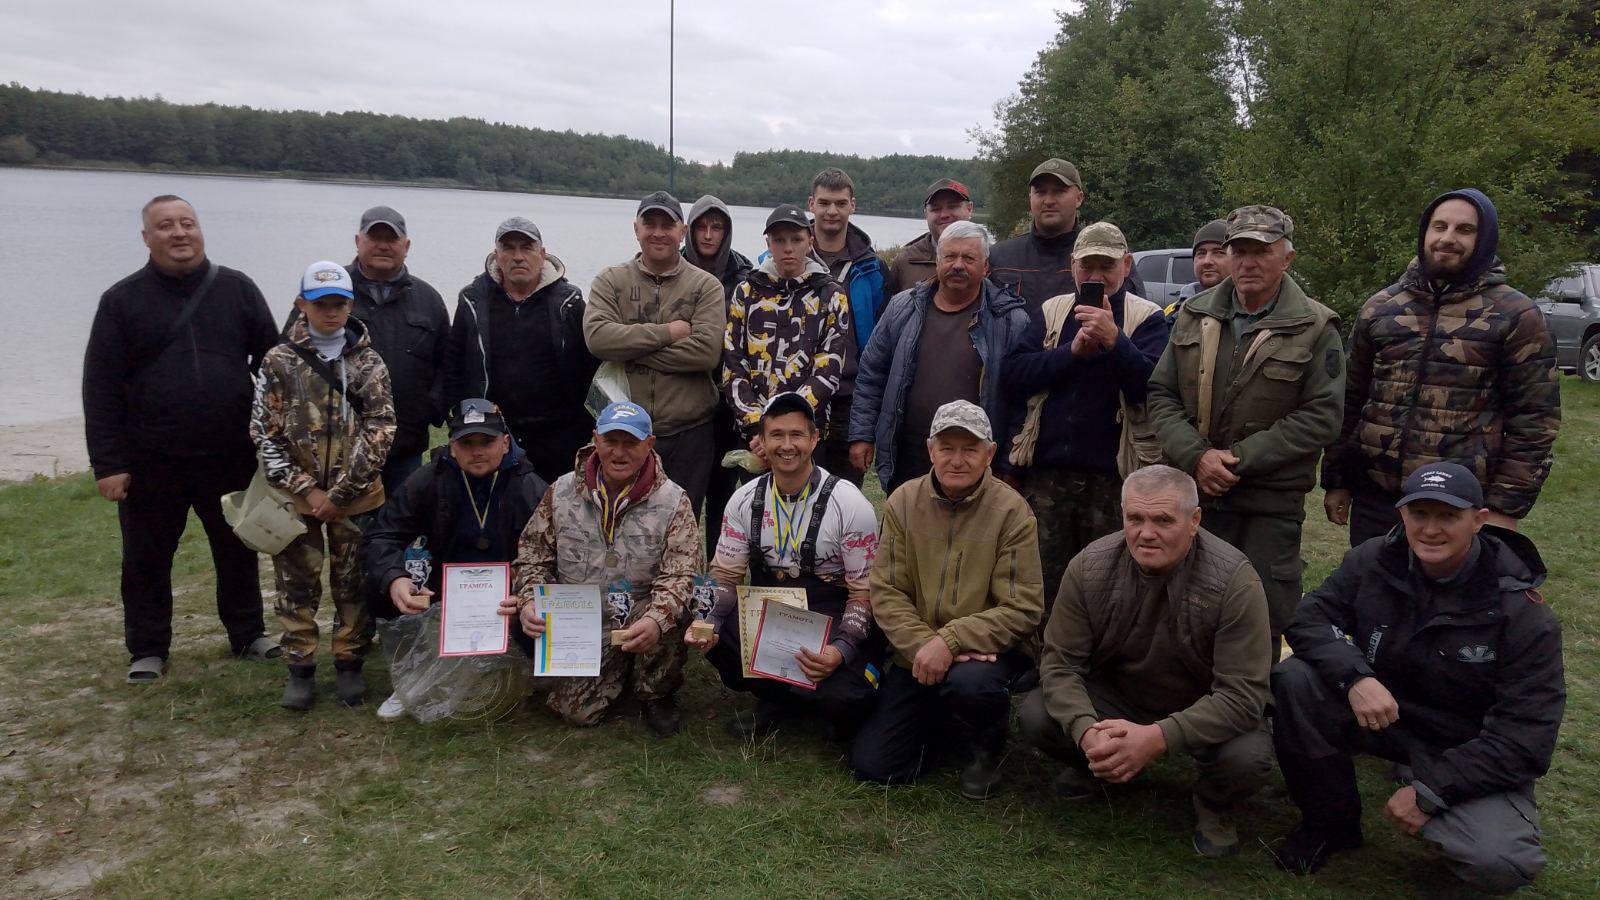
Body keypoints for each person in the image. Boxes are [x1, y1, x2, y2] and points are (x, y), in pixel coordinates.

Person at [1271, 463, 1563, 892]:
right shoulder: (1374, 558)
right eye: (1419, 514)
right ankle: (1329, 823)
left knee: (1499, 862)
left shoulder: (1524, 614)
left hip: (1465, 744)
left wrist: (1432, 791)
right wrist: (1356, 679)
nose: (1430, 529)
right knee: (1296, 678)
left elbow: (1526, 737)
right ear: (1401, 514)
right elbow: (1309, 617)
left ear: (1479, 521)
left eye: (1448, 516)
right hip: (1385, 718)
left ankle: (1431, 791)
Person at [1019, 465, 1272, 858]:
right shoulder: (1089, 567)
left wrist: (1157, 738)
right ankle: (1101, 765)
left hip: (1200, 701)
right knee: (1038, 713)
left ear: (1195, 521)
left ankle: (1212, 802)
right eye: (1134, 518)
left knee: (1247, 758)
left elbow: (1243, 697)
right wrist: (1088, 733)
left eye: (1163, 520)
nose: (1146, 533)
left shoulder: (1235, 582)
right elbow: (1060, 665)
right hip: (1120, 698)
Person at [83, 195, 280, 684]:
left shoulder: (237, 289)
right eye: (165, 226)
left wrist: (274, 440)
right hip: (152, 456)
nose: (178, 233)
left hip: (230, 452)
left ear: (200, 231)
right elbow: (101, 386)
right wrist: (108, 463)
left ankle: (247, 633)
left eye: (187, 223)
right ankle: (148, 649)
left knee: (237, 549)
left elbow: (274, 367)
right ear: (147, 238)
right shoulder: (121, 301)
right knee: (146, 557)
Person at [1146, 205, 1344, 659]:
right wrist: (1196, 457)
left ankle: (1253, 718)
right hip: (1197, 497)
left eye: (1262, 251)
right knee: (1183, 613)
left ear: (1287, 258)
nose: (1248, 263)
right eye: (1240, 251)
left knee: (1259, 620)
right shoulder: (1193, 316)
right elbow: (1160, 395)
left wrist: (1237, 459)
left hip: (1268, 507)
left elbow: (1322, 415)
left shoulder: (1316, 327)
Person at [1320, 189, 1560, 546]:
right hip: (1378, 496)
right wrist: (1338, 479)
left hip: (1459, 504)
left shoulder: (1516, 315)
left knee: (1448, 602)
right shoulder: (1381, 308)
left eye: (1464, 230)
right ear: (1424, 234)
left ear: (1484, 239)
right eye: (1439, 226)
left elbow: (1535, 422)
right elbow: (1349, 399)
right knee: (1374, 597)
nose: (1448, 238)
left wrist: (1504, 509)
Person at [850, 401, 1044, 799]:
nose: (958, 460)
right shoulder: (902, 501)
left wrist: (950, 641)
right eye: (947, 447)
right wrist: (927, 646)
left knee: (972, 684)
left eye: (970, 449)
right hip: (917, 652)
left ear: (990, 454)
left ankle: (987, 743)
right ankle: (939, 719)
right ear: (930, 450)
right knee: (875, 767)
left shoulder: (1013, 512)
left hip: (986, 654)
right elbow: (887, 591)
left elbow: (1022, 607)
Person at [688, 393, 882, 736]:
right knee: (710, 620)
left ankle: (825, 692)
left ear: (815, 438)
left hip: (832, 615)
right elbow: (724, 575)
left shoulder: (850, 503)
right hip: (775, 612)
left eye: (797, 435)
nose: (787, 445)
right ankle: (775, 696)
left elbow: (864, 594)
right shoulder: (744, 500)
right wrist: (709, 621)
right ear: (761, 441)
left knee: (844, 700)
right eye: (777, 435)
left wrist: (841, 650)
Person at [501, 401, 700, 736]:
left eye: (630, 443)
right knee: (575, 713)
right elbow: (533, 554)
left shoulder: (672, 500)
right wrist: (529, 600)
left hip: (640, 611)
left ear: (649, 444)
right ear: (595, 440)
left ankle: (654, 690)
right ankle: (613, 671)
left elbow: (682, 574)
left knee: (676, 614)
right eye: (610, 442)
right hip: (580, 618)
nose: (619, 453)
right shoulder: (561, 491)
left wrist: (655, 618)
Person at [251, 262, 397, 710]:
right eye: (320, 304)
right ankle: (300, 666)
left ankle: (350, 662)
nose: (330, 312)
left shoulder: (369, 361)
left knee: (353, 583)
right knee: (297, 585)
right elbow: (264, 433)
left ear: (350, 305)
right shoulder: (278, 361)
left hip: (355, 498)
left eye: (338, 303)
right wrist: (308, 491)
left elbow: (382, 426)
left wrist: (341, 493)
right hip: (297, 502)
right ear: (302, 305)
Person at [1003, 222, 1169, 596]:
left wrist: (1116, 341)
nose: (1096, 276)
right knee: (1042, 585)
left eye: (1106, 267)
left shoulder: (1149, 318)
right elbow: (1014, 374)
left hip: (1115, 479)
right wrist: (1071, 354)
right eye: (1087, 267)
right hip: (1048, 478)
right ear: (1072, 265)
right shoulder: (1052, 311)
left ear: (1126, 266)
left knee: (1106, 586)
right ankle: (1045, 655)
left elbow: (1155, 390)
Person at [360, 398, 550, 722]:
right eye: (467, 443)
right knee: (377, 582)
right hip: (440, 595)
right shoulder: (426, 481)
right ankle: (414, 673)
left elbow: (552, 554)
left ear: (505, 443)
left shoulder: (530, 486)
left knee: (547, 612)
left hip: (509, 599)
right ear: (452, 447)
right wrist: (395, 579)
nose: (477, 451)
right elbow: (382, 536)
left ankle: (528, 664)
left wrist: (527, 595)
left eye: (486, 442)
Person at [849, 221, 1030, 494]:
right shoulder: (903, 307)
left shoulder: (1011, 321)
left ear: (986, 267)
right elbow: (871, 374)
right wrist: (862, 434)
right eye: (950, 256)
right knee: (904, 531)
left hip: (974, 460)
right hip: (908, 456)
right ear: (937, 261)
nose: (958, 264)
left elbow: (1022, 399)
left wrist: (1008, 464)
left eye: (969, 258)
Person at [285, 206, 449, 495]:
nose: (383, 245)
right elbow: (289, 357)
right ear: (358, 241)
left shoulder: (429, 300)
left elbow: (447, 365)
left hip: (404, 446)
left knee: (399, 530)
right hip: (335, 448)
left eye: (392, 238)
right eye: (375, 237)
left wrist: (428, 409)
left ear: (406, 245)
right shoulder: (328, 292)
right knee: (344, 531)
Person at [584, 192, 727, 518]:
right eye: (650, 224)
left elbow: (706, 353)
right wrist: (667, 333)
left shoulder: (706, 286)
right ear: (636, 228)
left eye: (668, 224)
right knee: (619, 523)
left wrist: (629, 349)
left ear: (682, 231)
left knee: (681, 526)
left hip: (688, 433)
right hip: (622, 436)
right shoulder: (610, 281)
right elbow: (597, 339)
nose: (659, 232)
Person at [445, 216, 598, 485]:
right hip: (490, 433)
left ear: (542, 255)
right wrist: (458, 420)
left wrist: (581, 429)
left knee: (551, 516)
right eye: (509, 248)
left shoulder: (569, 303)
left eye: (526, 248)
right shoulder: (472, 300)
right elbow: (454, 363)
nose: (518, 257)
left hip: (557, 438)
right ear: (496, 255)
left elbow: (588, 368)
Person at [723, 204, 848, 449]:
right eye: (779, 240)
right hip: (755, 436)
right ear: (768, 243)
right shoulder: (746, 292)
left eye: (796, 239)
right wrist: (758, 426)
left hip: (807, 433)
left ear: (810, 241)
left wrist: (788, 428)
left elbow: (829, 368)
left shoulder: (832, 295)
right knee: (755, 490)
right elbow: (733, 364)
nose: (788, 248)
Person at [684, 194, 754, 560]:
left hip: (731, 407)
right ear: (690, 230)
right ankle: (683, 580)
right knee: (685, 499)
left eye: (717, 228)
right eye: (701, 227)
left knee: (726, 499)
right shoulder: (675, 268)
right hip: (686, 399)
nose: (709, 235)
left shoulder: (744, 275)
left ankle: (720, 577)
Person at [807, 167, 886, 486]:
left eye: (840, 203)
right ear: (811, 204)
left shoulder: (873, 268)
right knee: (799, 491)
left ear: (853, 205)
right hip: (802, 393)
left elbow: (882, 338)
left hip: (851, 399)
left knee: (843, 494)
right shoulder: (789, 258)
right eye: (824, 203)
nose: (832, 211)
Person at [988, 158, 1087, 309]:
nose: (1048, 200)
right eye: (1040, 192)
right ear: (1030, 198)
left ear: (1078, 198)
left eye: (1059, 191)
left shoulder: (1101, 259)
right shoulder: (998, 257)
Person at [882, 178, 975, 298]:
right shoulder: (905, 261)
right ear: (926, 213)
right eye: (936, 209)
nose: (945, 215)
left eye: (952, 206)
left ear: (970, 208)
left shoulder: (990, 258)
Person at [1164, 218, 1230, 326]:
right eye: (1201, 253)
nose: (1207, 261)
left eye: (1218, 252)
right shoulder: (1173, 312)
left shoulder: (1248, 311)